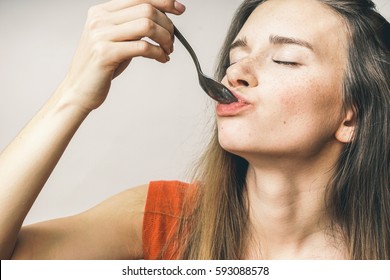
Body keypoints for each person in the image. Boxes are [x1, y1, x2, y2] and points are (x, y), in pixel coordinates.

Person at [0, 0, 389, 260]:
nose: (236, 72)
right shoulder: (162, 220)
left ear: (350, 117)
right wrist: (73, 94)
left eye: (285, 59)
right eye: (236, 56)